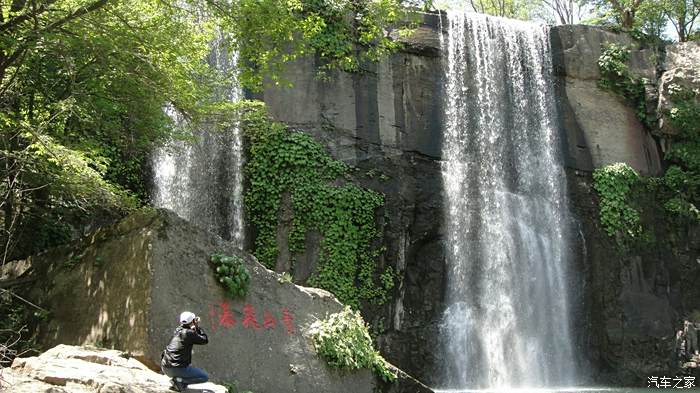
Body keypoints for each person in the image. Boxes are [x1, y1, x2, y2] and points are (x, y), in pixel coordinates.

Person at [161, 311, 209, 392]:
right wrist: (197, 327)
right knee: (204, 377)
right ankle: (180, 382)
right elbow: (204, 340)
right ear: (192, 321)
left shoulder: (178, 330)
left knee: (187, 365)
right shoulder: (189, 333)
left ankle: (178, 380)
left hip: (165, 367)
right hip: (176, 369)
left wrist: (193, 327)